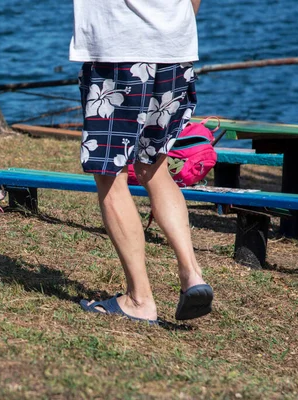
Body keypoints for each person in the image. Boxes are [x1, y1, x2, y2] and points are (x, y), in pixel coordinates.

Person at [71, 0, 213, 324]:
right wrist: (175, 25)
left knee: (111, 174)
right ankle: (192, 273)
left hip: (120, 48)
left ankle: (140, 300)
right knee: (155, 166)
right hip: (175, 47)